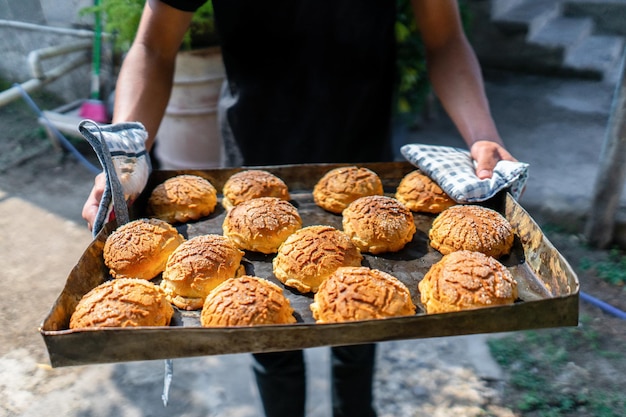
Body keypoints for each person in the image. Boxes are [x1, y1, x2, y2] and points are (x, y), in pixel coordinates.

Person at [82, 1, 517, 416]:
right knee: (264, 333)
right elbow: (154, 46)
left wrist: (483, 134)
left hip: (363, 160)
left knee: (363, 318)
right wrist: (125, 155)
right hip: (253, 160)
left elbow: (445, 39)